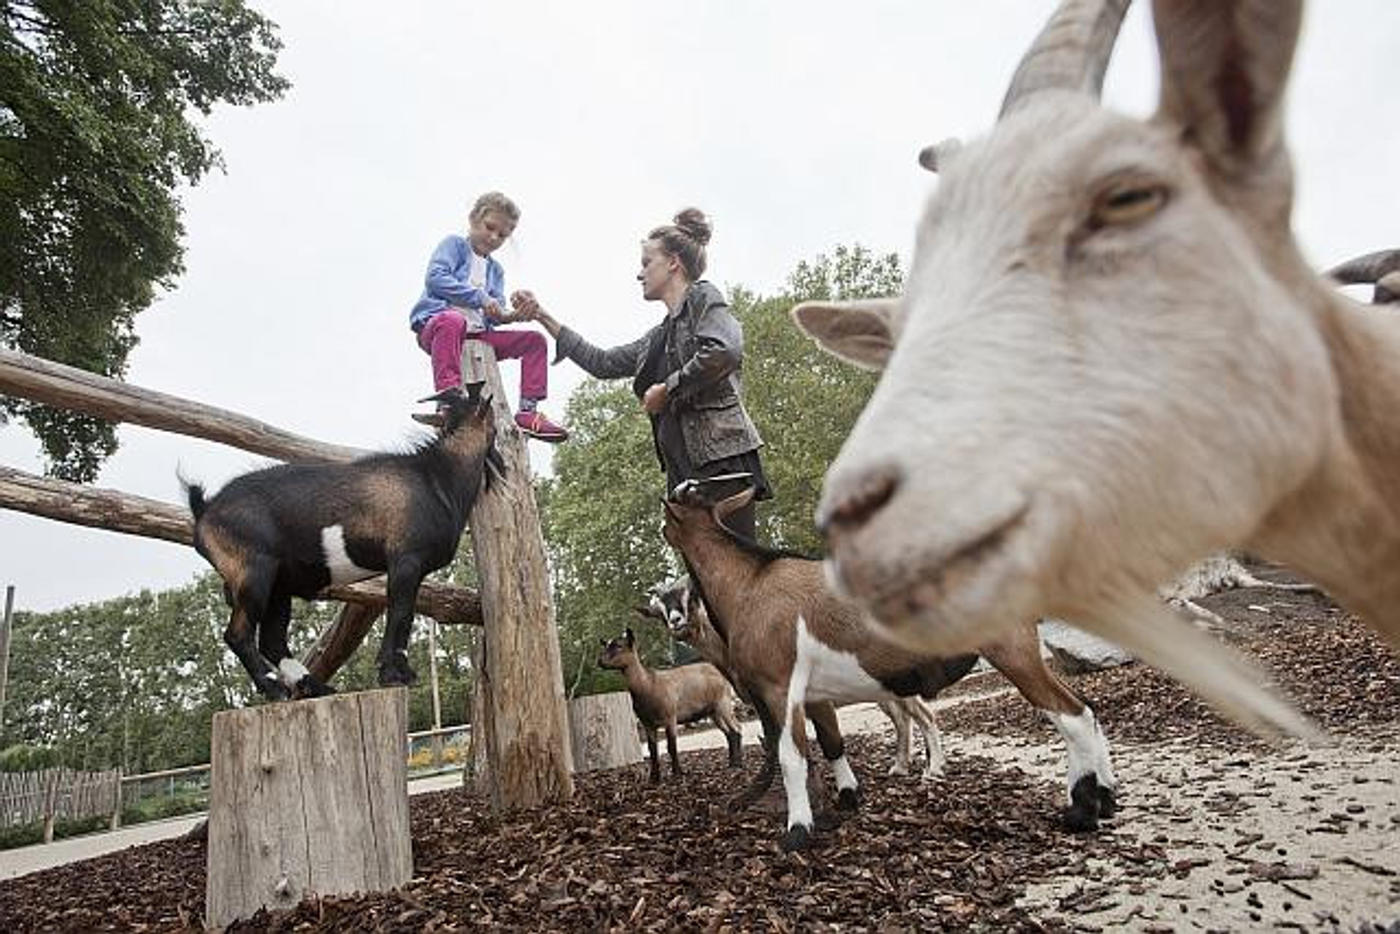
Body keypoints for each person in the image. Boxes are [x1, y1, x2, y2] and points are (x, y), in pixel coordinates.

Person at [520, 208, 769, 538]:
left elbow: (724, 350)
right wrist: (541, 316)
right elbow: (602, 362)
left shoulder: (703, 297)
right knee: (706, 582)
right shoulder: (656, 339)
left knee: (736, 576)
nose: (640, 274)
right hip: (684, 473)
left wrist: (667, 388)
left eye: (646, 262)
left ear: (673, 263)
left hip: (721, 464)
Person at [408, 191, 568, 442]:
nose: (494, 237)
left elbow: (495, 314)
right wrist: (481, 298)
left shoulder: (496, 271)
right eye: (489, 227)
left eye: (502, 235)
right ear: (473, 220)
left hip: (480, 335)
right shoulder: (454, 246)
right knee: (453, 320)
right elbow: (436, 278)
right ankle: (449, 400)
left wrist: (514, 314)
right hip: (439, 327)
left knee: (535, 341)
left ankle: (528, 412)